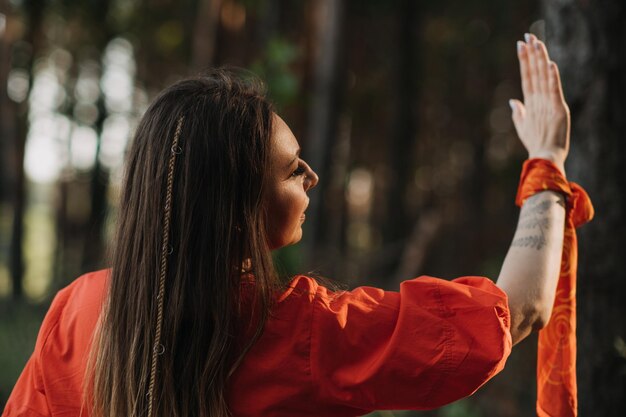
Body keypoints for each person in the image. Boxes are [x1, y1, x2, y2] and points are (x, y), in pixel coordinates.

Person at [3, 33, 573, 417]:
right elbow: (516, 310)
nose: (315, 176)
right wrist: (546, 167)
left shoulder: (76, 310)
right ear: (237, 209)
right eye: (293, 169)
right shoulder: (309, 333)